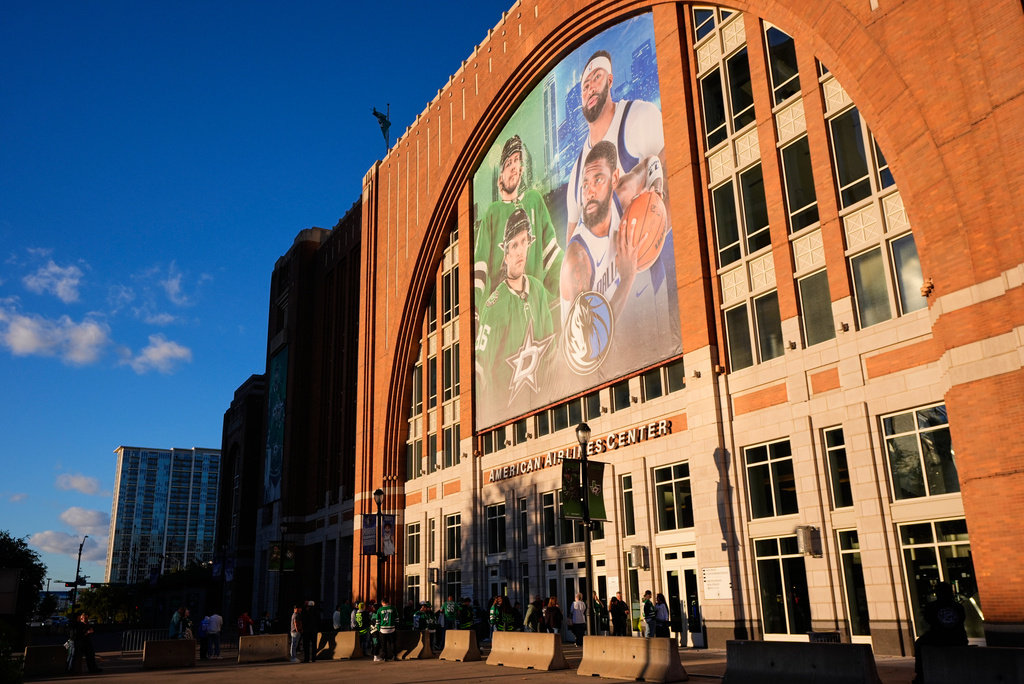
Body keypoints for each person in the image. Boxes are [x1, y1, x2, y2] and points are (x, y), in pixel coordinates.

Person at [565, 50, 667, 243]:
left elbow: (672, 178)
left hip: (644, 260)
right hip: (608, 271)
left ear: (610, 80)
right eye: (585, 86)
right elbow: (572, 248)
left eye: (597, 77)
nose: (591, 88)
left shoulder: (639, 116)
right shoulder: (576, 173)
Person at [475, 208, 558, 425]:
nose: (520, 251)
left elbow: (551, 353)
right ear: (506, 252)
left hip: (541, 411)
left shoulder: (538, 290)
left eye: (524, 242)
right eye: (514, 245)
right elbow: (480, 369)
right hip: (504, 419)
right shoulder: (493, 306)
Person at [474, 134, 563, 305]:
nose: (514, 166)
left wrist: (573, 280)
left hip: (535, 306)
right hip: (502, 312)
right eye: (509, 163)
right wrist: (477, 311)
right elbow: (480, 265)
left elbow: (551, 253)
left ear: (522, 169)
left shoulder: (534, 200)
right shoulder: (493, 212)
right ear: (500, 177)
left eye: (516, 161)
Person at [913, 582, 968, 684]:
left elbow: (929, 621)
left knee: (919, 643)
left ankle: (920, 674)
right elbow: (962, 620)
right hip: (958, 638)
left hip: (940, 638)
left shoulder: (932, 607)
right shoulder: (958, 607)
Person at [374, 597, 397, 662]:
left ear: (382, 603)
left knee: (383, 645)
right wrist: (396, 627)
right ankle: (394, 656)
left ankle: (385, 657)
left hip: (383, 629)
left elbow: (377, 621)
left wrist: (379, 629)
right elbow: (397, 619)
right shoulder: (393, 608)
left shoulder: (379, 610)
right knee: (393, 643)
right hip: (392, 628)